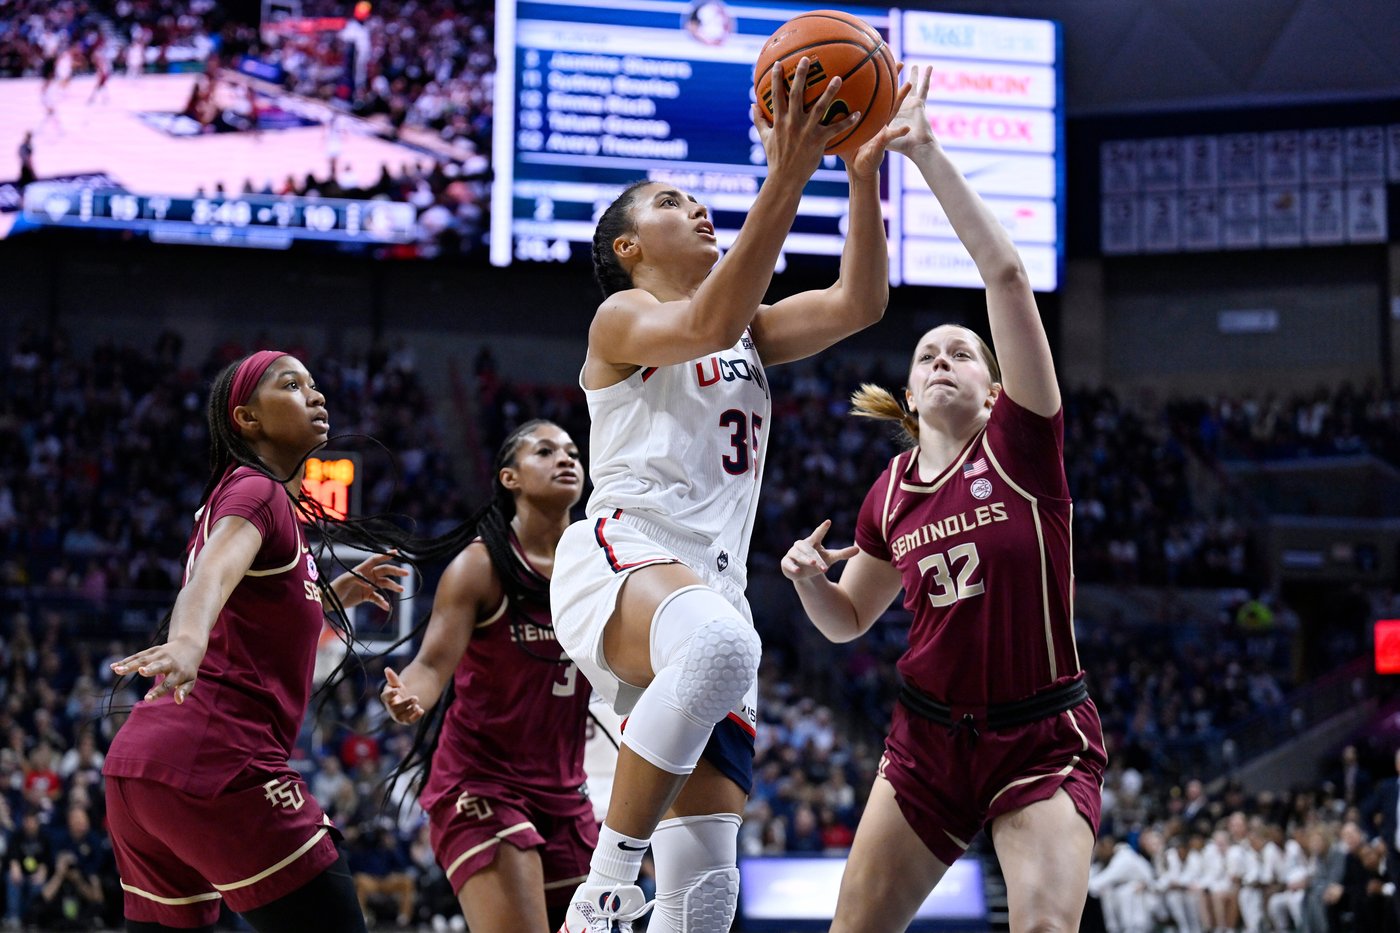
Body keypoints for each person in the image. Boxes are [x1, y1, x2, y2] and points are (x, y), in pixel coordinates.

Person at [550, 57, 911, 932]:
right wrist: (786, 173)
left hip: (708, 581)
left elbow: (860, 301)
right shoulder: (622, 319)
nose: (694, 207)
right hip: (624, 551)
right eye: (670, 203)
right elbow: (704, 322)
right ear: (628, 249)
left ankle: (633, 889)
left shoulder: (746, 325)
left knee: (707, 888)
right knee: (723, 646)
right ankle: (601, 895)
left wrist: (859, 175)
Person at [779, 64, 1107, 933]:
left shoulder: (1023, 444)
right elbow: (850, 619)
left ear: (997, 390)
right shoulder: (888, 494)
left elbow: (1003, 275)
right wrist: (811, 578)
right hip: (926, 738)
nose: (940, 361)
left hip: (1038, 735)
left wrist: (923, 154)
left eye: (962, 352)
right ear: (911, 396)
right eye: (927, 355)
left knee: (1042, 926)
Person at [101, 349, 410, 932]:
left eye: (315, 384)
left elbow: (251, 621)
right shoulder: (259, 492)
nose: (315, 394)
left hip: (141, 768)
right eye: (292, 385)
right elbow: (211, 576)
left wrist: (328, 592)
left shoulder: (242, 498)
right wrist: (187, 640)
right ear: (247, 419)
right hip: (217, 760)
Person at [379, 420, 601, 932]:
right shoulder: (480, 567)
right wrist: (408, 696)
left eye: (571, 451)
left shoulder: (598, 567)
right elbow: (432, 666)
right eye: (545, 452)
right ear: (510, 478)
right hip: (481, 784)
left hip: (566, 795)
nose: (565, 459)